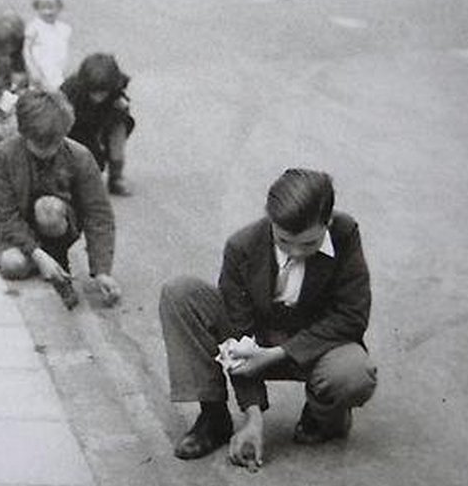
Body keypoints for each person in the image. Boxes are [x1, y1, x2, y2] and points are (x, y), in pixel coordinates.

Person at [159, 169, 378, 468]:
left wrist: (278, 354)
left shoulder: (345, 233)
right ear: (271, 221)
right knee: (180, 292)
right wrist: (252, 418)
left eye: (310, 244)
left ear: (327, 223)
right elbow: (239, 334)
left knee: (353, 374)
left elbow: (352, 316)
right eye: (285, 241)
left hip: (315, 344)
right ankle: (213, 417)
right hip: (257, 340)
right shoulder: (242, 246)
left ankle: (323, 414)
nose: (297, 253)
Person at [0, 89, 120, 306]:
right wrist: (36, 254)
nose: (48, 151)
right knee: (12, 264)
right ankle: (45, 260)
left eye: (55, 142)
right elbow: (5, 215)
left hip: (57, 223)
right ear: (24, 134)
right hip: (18, 228)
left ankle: (55, 255)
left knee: (47, 209)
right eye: (40, 144)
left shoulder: (80, 157)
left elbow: (98, 215)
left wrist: (102, 271)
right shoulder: (4, 155)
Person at [61, 53, 136, 196]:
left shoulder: (116, 84)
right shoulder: (70, 91)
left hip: (108, 118)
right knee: (92, 160)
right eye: (94, 93)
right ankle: (73, 177)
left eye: (103, 93)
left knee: (118, 133)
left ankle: (116, 176)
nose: (98, 97)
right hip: (78, 125)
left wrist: (121, 105)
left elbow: (122, 100)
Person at [23, 0, 71, 92]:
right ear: (37, 7)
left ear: (59, 7)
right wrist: (33, 70)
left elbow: (62, 52)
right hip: (40, 71)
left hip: (56, 70)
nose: (47, 12)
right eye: (43, 8)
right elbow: (27, 50)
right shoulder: (35, 27)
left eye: (51, 7)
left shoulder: (63, 29)